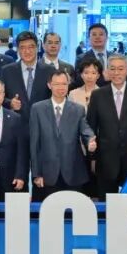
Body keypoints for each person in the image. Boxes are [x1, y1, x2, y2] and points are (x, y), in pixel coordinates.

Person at [86, 54, 127, 198]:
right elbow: (90, 125)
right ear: (107, 71)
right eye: (113, 69)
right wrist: (90, 145)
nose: (116, 73)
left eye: (120, 69)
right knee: (107, 204)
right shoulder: (98, 95)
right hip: (106, 159)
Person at [29, 71, 97, 200]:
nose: (61, 88)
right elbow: (34, 144)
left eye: (64, 84)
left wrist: (90, 141)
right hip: (47, 174)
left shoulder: (78, 109)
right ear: (49, 85)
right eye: (57, 84)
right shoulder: (37, 109)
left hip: (73, 172)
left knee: (73, 210)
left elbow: (85, 130)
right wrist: (36, 174)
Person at [0, 31, 55, 124]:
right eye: (22, 47)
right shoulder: (7, 71)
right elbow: (0, 96)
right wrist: (10, 103)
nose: (27, 51)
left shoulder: (50, 70)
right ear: (17, 49)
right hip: (15, 125)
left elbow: (55, 97)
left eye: (31, 47)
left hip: (43, 124)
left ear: (37, 48)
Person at [74, 23, 115, 88]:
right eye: (94, 34)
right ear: (89, 39)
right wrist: (103, 78)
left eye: (101, 34)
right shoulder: (81, 58)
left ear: (107, 38)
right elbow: (79, 81)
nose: (97, 37)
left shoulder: (115, 58)